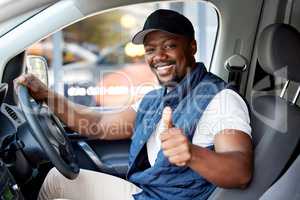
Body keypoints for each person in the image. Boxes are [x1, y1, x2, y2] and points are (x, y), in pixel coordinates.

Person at [16, 9, 253, 200]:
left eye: (169, 45)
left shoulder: (220, 98)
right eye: (150, 50)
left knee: (56, 184)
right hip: (147, 192)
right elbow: (98, 124)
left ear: (192, 47)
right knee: (55, 180)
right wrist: (47, 95)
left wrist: (192, 154)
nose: (158, 56)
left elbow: (240, 171)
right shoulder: (156, 97)